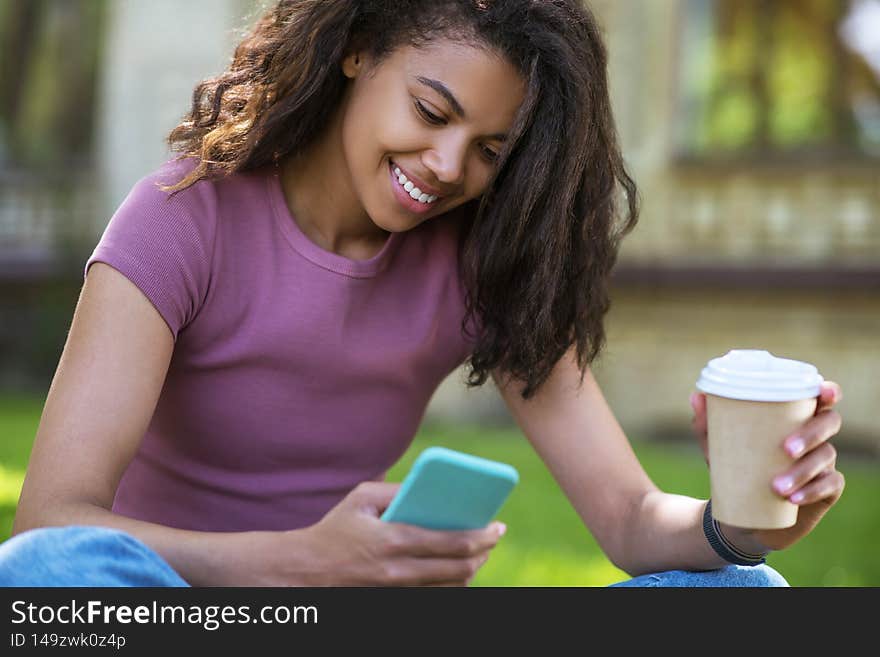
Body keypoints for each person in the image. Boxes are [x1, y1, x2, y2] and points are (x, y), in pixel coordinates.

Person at [0, 0, 844, 588]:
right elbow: (50, 525)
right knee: (43, 576)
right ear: (358, 49)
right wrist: (300, 563)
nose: (447, 167)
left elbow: (630, 514)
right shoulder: (183, 217)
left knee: (744, 588)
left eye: (489, 150)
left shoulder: (482, 259)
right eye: (431, 112)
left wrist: (735, 523)